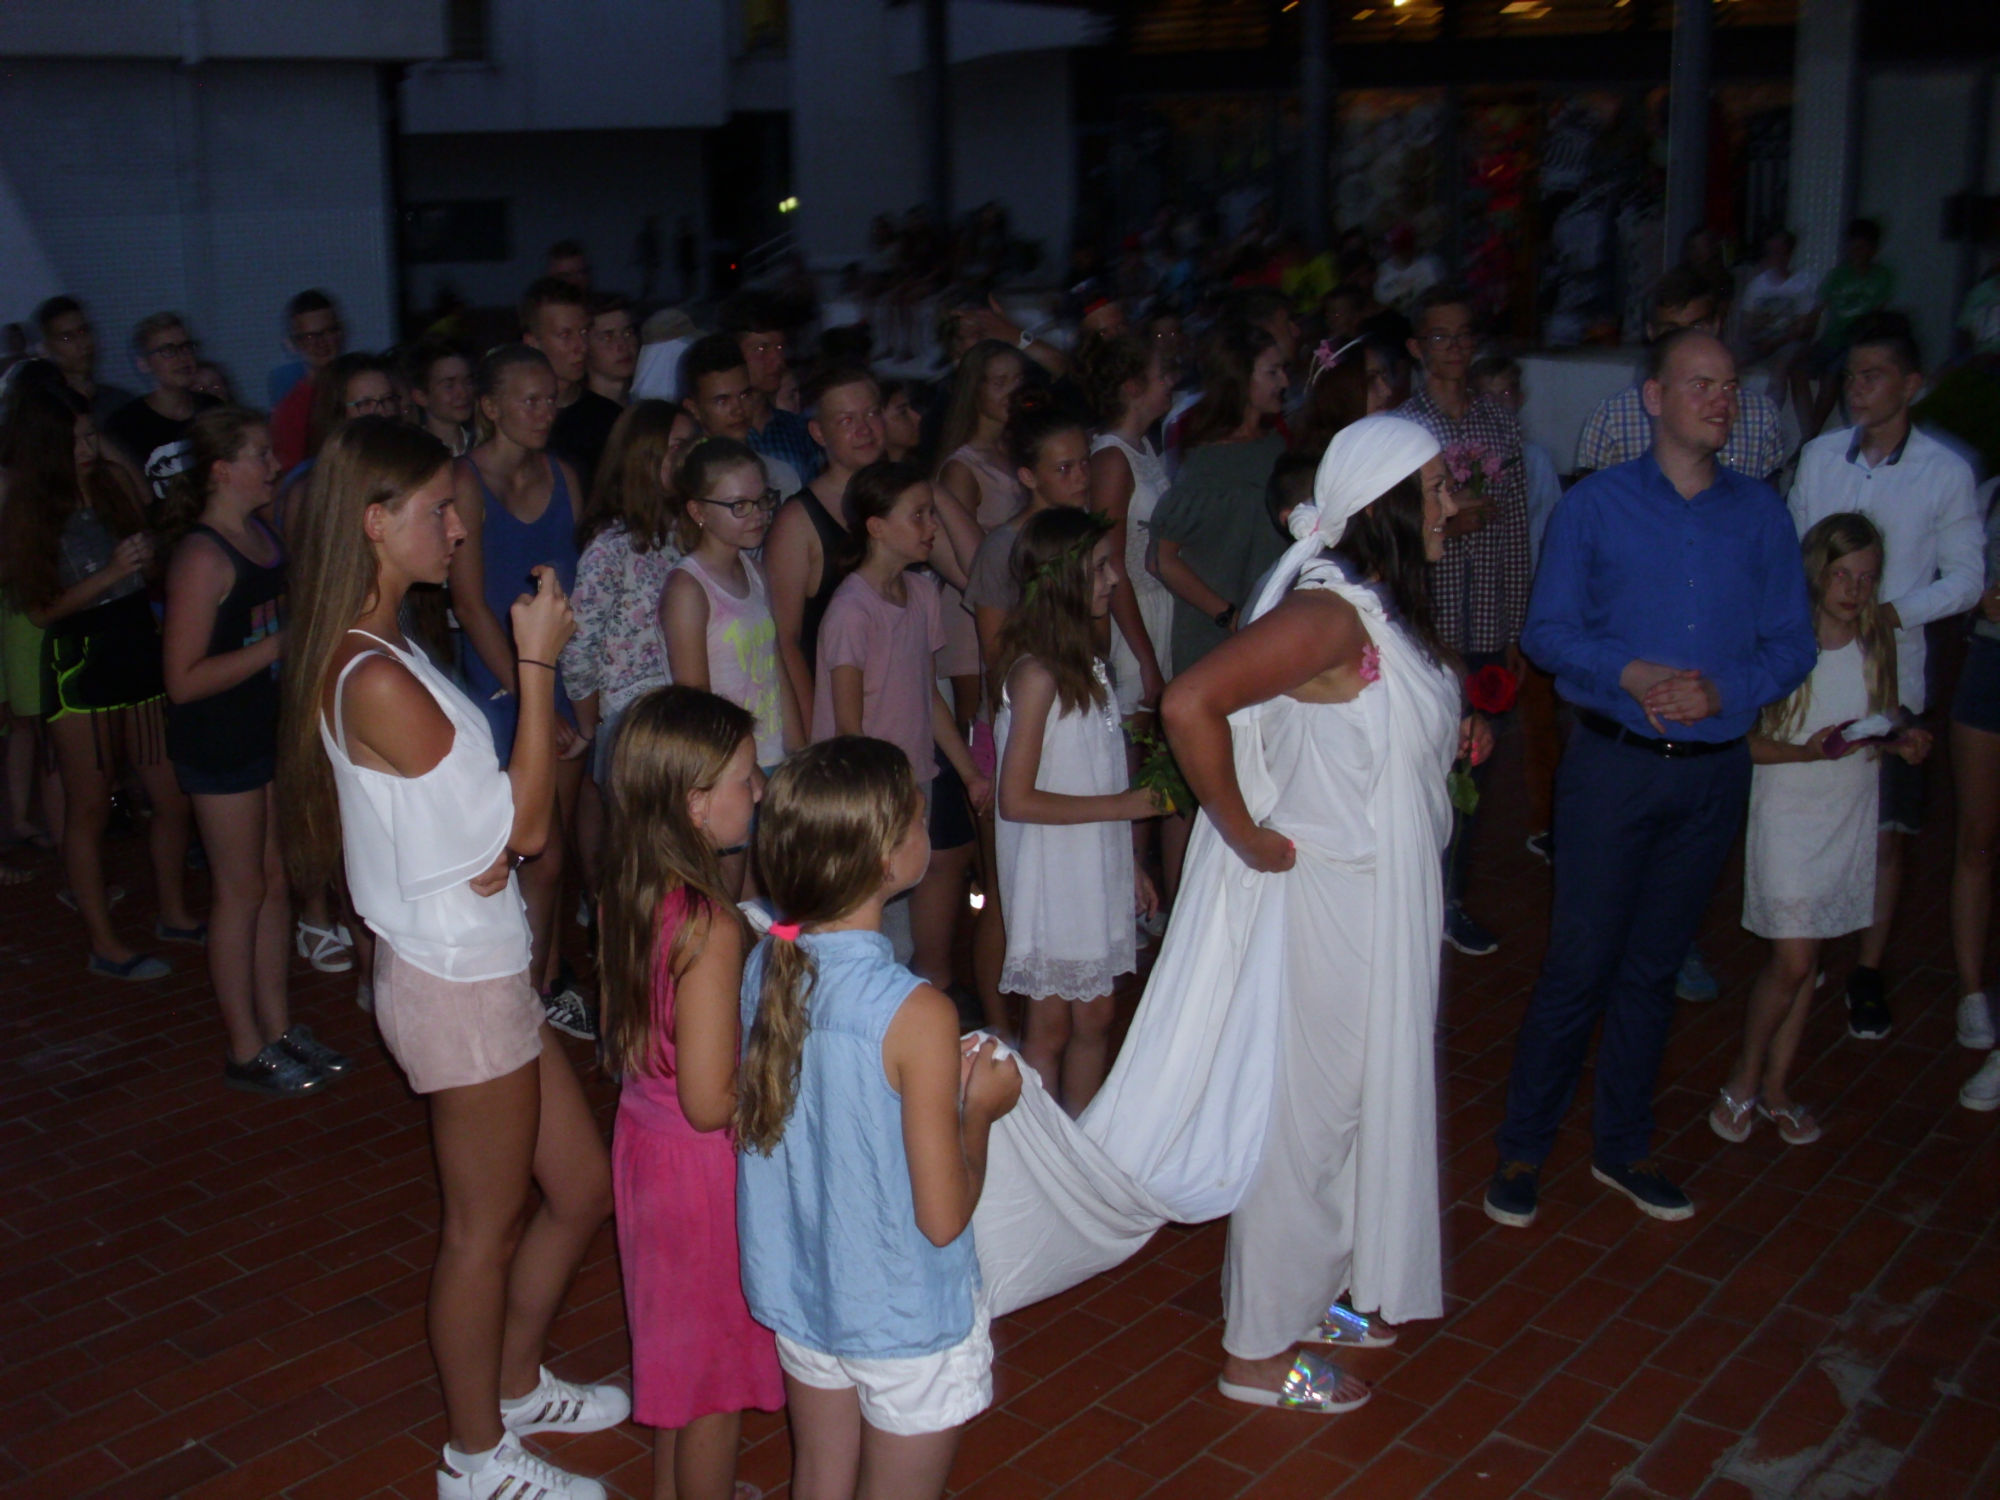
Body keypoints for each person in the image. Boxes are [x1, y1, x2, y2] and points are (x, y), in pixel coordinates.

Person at [278, 417, 624, 1500]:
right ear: (375, 523)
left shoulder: (389, 644)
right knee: (481, 1231)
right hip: (453, 984)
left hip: (481, 962)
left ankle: (514, 1386)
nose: (459, 529)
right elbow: (526, 829)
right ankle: (474, 1461)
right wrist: (537, 664)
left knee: (582, 1186)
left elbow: (486, 839)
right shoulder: (372, 673)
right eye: (440, 510)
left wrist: (490, 849)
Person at [1148, 414, 1473, 1409]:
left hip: (1379, 899)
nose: (1452, 506)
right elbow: (1187, 703)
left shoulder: (1373, 606)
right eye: (1436, 490)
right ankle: (1255, 1354)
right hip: (1330, 904)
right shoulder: (1331, 613)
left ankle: (1315, 1293)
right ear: (1385, 506)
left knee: (1352, 1106)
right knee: (1307, 1122)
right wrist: (1242, 831)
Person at [1487, 328, 1817, 1231]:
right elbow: (1548, 633)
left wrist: (1724, 690)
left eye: (1730, 386)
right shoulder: (1596, 508)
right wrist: (1631, 673)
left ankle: (1623, 1147)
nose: (1721, 400)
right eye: (1700, 384)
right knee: (1578, 963)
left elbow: (1793, 644)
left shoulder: (1761, 514)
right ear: (1654, 399)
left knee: (1655, 967)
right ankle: (1523, 1147)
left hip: (1711, 775)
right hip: (1614, 768)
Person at [734, 738, 1022, 1500]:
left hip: (806, 1294)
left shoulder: (766, 964)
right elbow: (942, 1217)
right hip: (901, 1315)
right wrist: (980, 1111)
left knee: (819, 1478)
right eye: (917, 817)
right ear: (888, 860)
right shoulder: (916, 1014)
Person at [597, 687, 784, 1500]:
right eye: (747, 778)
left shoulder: (635, 886)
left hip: (646, 1146)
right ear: (697, 804)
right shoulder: (711, 924)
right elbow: (712, 1101)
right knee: (715, 1386)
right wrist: (782, 1073)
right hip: (699, 1172)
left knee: (680, 1364)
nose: (761, 792)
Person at [1788, 319, 1982, 1039]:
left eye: (1872, 376)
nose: (1855, 389)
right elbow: (1793, 549)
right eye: (1850, 376)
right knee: (1811, 809)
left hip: (1892, 672)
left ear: (1911, 386)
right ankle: (1803, 948)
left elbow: (1967, 578)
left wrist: (1895, 613)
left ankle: (1868, 969)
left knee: (1887, 832)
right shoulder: (1819, 457)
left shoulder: (1944, 471)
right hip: (1817, 664)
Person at [161, 406, 349, 1094]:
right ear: (221, 469)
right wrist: (276, 647)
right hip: (219, 743)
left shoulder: (262, 535)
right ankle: (245, 1045)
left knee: (271, 881)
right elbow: (182, 681)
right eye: (259, 455)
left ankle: (277, 1026)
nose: (275, 465)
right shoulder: (203, 556)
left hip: (263, 730)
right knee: (239, 891)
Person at [1723, 514, 1927, 1148]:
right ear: (1817, 571)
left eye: (1866, 577)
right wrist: (1806, 753)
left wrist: (1901, 741)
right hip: (1788, 810)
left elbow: (1875, 724)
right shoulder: (1784, 643)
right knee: (1793, 959)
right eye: (1843, 575)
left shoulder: (1875, 642)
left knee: (1808, 962)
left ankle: (1777, 1086)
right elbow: (1742, 743)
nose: (1854, 589)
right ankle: (1744, 1075)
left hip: (1846, 811)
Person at [0, 381, 199, 980]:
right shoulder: (31, 507)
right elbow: (42, 610)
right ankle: (104, 943)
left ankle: (173, 912)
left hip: (136, 643)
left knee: (171, 795)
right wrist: (111, 572)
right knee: (89, 806)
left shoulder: (109, 482)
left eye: (91, 435)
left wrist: (145, 554)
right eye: (77, 439)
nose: (88, 447)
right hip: (81, 659)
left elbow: (151, 542)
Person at [994, 508, 1161, 1112]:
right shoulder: (1036, 676)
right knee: (1051, 1029)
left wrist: (1128, 863)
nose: (1113, 579)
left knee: (1097, 1018)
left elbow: (1094, 768)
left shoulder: (1088, 665)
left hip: (1092, 862)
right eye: (1099, 568)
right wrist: (1126, 805)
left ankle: (1081, 1141)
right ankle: (1043, 1151)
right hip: (1051, 871)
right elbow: (1016, 798)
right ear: (1060, 580)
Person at [452, 344, 592, 1038]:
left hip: (558, 670)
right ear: (490, 406)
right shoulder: (465, 481)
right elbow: (470, 602)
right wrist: (527, 688)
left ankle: (545, 975)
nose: (544, 411)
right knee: (532, 847)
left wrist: (576, 691)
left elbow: (581, 591)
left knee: (554, 848)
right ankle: (517, 998)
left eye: (550, 399)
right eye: (528, 400)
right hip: (499, 679)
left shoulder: (564, 475)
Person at [813, 461, 989, 989]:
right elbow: (848, 726)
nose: (931, 526)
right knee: (877, 932)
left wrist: (968, 772)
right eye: (918, 516)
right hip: (872, 793)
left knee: (908, 931)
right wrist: (882, 798)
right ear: (877, 527)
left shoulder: (922, 594)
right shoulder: (852, 610)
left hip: (914, 781)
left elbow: (927, 694)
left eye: (931, 514)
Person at [1395, 287, 1532, 956]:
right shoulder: (1403, 429)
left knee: (1471, 769)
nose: (1454, 349)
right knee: (1418, 761)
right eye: (1439, 337)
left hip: (1485, 625)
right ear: (1417, 348)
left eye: (1463, 335)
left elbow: (1517, 531)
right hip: (1426, 625)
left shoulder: (1499, 424)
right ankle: (1409, 894)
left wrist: (1516, 628)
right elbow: (1390, 532)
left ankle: (1450, 896)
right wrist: (1450, 522)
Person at [660, 437, 800, 891]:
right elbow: (696, 699)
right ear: (698, 511)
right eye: (739, 505)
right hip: (726, 767)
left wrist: (798, 749)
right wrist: (750, 771)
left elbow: (775, 665)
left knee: (768, 897)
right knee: (728, 895)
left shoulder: (754, 571)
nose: (757, 514)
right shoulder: (688, 587)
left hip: (771, 753)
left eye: (762, 501)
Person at [562, 401, 693, 786]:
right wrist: (590, 726)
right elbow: (578, 645)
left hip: (684, 709)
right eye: (676, 447)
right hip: (633, 719)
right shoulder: (612, 546)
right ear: (643, 456)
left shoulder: (689, 531)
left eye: (693, 445)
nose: (688, 458)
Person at [1148, 320, 1289, 674]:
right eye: (1272, 372)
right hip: (1216, 641)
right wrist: (1229, 615)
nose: (1284, 382)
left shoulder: (1275, 446)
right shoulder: (1208, 461)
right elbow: (1162, 559)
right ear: (1240, 380)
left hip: (1273, 627)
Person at [1468, 353, 1566, 864]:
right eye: (1487, 396)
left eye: (1506, 394)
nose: (1498, 405)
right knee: (1477, 721)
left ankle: (1544, 821)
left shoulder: (1535, 460)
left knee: (1540, 722)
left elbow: (1548, 532)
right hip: (1480, 610)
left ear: (1520, 398)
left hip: (1530, 602)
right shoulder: (1461, 459)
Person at [1576, 268, 1789, 487]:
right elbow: (1588, 501)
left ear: (1715, 326)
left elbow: (1768, 499)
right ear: (1651, 332)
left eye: (1696, 327)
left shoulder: (1760, 416)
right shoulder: (1612, 419)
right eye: (1672, 331)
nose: (1686, 342)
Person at [764, 368, 888, 729]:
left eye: (871, 413)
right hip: (837, 714)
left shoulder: (907, 500)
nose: (864, 429)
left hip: (898, 699)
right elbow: (785, 639)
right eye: (847, 420)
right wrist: (812, 729)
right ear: (818, 433)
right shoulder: (797, 521)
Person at [1079, 331, 1174, 720]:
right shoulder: (1112, 459)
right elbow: (1112, 560)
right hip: (1133, 619)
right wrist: (1146, 660)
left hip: (1160, 607)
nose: (1170, 382)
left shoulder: (1144, 446)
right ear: (1133, 387)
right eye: (1161, 375)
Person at [935, 340, 1030, 719]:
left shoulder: (1020, 449)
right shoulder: (963, 466)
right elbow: (961, 553)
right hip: (974, 609)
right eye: (999, 382)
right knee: (982, 723)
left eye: (1017, 380)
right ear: (975, 391)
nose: (1012, 391)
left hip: (1020, 601)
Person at [1954, 491, 2000, 1111]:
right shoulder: (1989, 496)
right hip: (1990, 662)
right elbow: (1953, 576)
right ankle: (1972, 993)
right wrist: (1978, 600)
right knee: (1977, 842)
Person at [104, 313, 222, 502]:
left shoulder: (214, 410)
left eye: (186, 347)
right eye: (168, 351)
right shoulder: (125, 426)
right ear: (143, 363)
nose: (182, 358)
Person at [1798, 218, 1896, 440]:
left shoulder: (1882, 277)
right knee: (1797, 369)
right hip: (1831, 340)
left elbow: (1878, 315)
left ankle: (1811, 435)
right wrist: (1806, 338)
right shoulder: (1837, 275)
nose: (1856, 253)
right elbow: (1817, 311)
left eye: (1862, 248)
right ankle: (1807, 426)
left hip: (1858, 343)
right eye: (1853, 247)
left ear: (1873, 249)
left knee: (1832, 375)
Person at [678, 334, 803, 498]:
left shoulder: (780, 477)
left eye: (745, 395)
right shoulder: (682, 480)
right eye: (722, 401)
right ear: (694, 409)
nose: (739, 409)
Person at [522, 277, 617, 490]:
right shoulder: (515, 421)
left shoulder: (607, 419)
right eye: (565, 335)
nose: (580, 346)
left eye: (583, 332)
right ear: (533, 343)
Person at [719, 292, 822, 483]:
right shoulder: (717, 431)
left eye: (780, 348)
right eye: (761, 349)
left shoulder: (798, 431)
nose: (777, 360)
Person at [270, 290, 345, 471]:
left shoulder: (362, 386)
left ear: (340, 333)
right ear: (292, 344)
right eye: (310, 337)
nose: (320, 343)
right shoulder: (290, 411)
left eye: (328, 332)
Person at [34, 296, 134, 425]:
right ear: (47, 348)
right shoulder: (43, 410)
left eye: (83, 331)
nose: (82, 343)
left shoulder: (121, 403)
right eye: (66, 338)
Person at [405, 339, 477, 457]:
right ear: (421, 396)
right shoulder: (413, 454)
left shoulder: (482, 448)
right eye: (449, 386)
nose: (463, 393)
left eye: (468, 382)